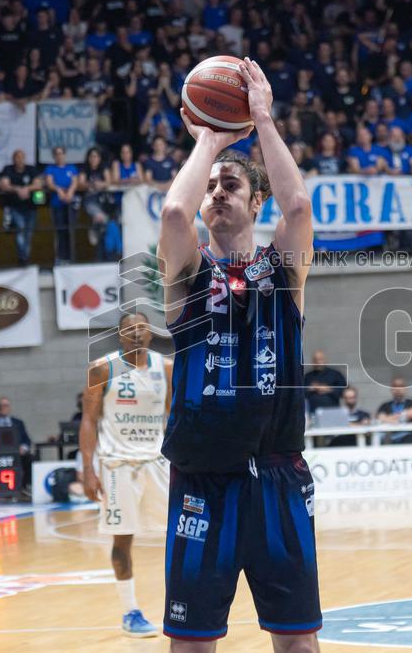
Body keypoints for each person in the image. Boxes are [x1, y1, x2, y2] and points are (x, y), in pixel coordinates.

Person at [157, 57, 320, 649]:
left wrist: (263, 121)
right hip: (204, 479)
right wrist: (210, 140)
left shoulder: (283, 272)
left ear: (256, 205)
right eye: (212, 187)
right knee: (193, 643)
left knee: (298, 641)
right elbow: (174, 211)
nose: (218, 192)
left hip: (277, 473)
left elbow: (298, 206)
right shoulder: (188, 275)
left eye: (233, 185)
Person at [79, 312, 173, 638]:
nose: (135, 333)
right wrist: (88, 469)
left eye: (141, 328)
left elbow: (175, 419)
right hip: (117, 465)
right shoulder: (101, 368)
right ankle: (130, 611)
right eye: (129, 329)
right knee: (123, 540)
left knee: (180, 535)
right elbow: (89, 420)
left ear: (150, 334)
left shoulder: (167, 367)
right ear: (119, 336)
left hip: (158, 464)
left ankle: (181, 604)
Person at [0, 150, 41, 265]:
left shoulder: (31, 169)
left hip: (30, 207)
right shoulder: (8, 169)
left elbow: (38, 184)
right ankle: (23, 259)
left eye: (22, 157)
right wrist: (17, 189)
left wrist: (27, 189)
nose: (19, 159)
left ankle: (24, 257)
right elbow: (4, 185)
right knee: (20, 230)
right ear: (13, 159)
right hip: (15, 207)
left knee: (28, 234)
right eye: (17, 157)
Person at [44, 146, 80, 265]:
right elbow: (50, 183)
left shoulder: (71, 168)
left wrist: (69, 192)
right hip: (57, 204)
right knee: (60, 231)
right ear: (54, 156)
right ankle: (60, 257)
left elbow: (75, 182)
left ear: (65, 155)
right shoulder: (50, 168)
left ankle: (71, 257)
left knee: (70, 230)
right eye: (57, 154)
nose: (59, 156)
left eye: (61, 153)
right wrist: (59, 190)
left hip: (70, 204)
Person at [376, 377, 412, 443]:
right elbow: (380, 418)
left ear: (406, 388)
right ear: (391, 389)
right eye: (395, 386)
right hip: (390, 441)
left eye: (401, 386)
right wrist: (404, 416)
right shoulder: (385, 405)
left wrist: (391, 418)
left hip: (408, 440)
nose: (398, 389)